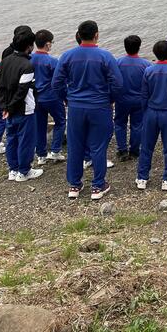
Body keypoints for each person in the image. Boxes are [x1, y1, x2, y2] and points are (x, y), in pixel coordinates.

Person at [52, 20, 123, 200]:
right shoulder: (105, 56)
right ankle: (98, 186)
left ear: (79, 35)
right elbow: (117, 83)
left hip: (76, 107)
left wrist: (66, 98)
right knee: (98, 146)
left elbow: (56, 83)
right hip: (99, 106)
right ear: (96, 35)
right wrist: (110, 99)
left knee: (75, 146)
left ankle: (74, 185)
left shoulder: (67, 56)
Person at [0, 29, 42, 182]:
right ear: (29, 46)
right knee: (26, 140)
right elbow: (22, 91)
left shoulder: (4, 61)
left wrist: (4, 107)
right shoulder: (27, 65)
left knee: (12, 138)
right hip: (24, 109)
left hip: (8, 108)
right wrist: (10, 107)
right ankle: (24, 171)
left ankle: (13, 169)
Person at [137, 40, 167, 191]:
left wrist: (145, 111)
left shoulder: (148, 71)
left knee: (147, 146)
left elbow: (144, 94)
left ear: (155, 53)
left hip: (151, 111)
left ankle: (142, 177)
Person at [31, 29, 67, 163]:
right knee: (60, 121)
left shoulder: (29, 59)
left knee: (40, 125)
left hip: (35, 98)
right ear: (47, 44)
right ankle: (55, 151)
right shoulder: (52, 61)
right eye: (51, 42)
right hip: (52, 97)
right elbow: (60, 82)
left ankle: (41, 155)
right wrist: (65, 97)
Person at [114, 35, 151, 161]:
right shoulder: (146, 65)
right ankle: (135, 150)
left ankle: (122, 150)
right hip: (139, 100)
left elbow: (113, 81)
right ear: (139, 47)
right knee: (137, 125)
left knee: (120, 123)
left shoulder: (118, 63)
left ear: (125, 47)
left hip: (122, 99)